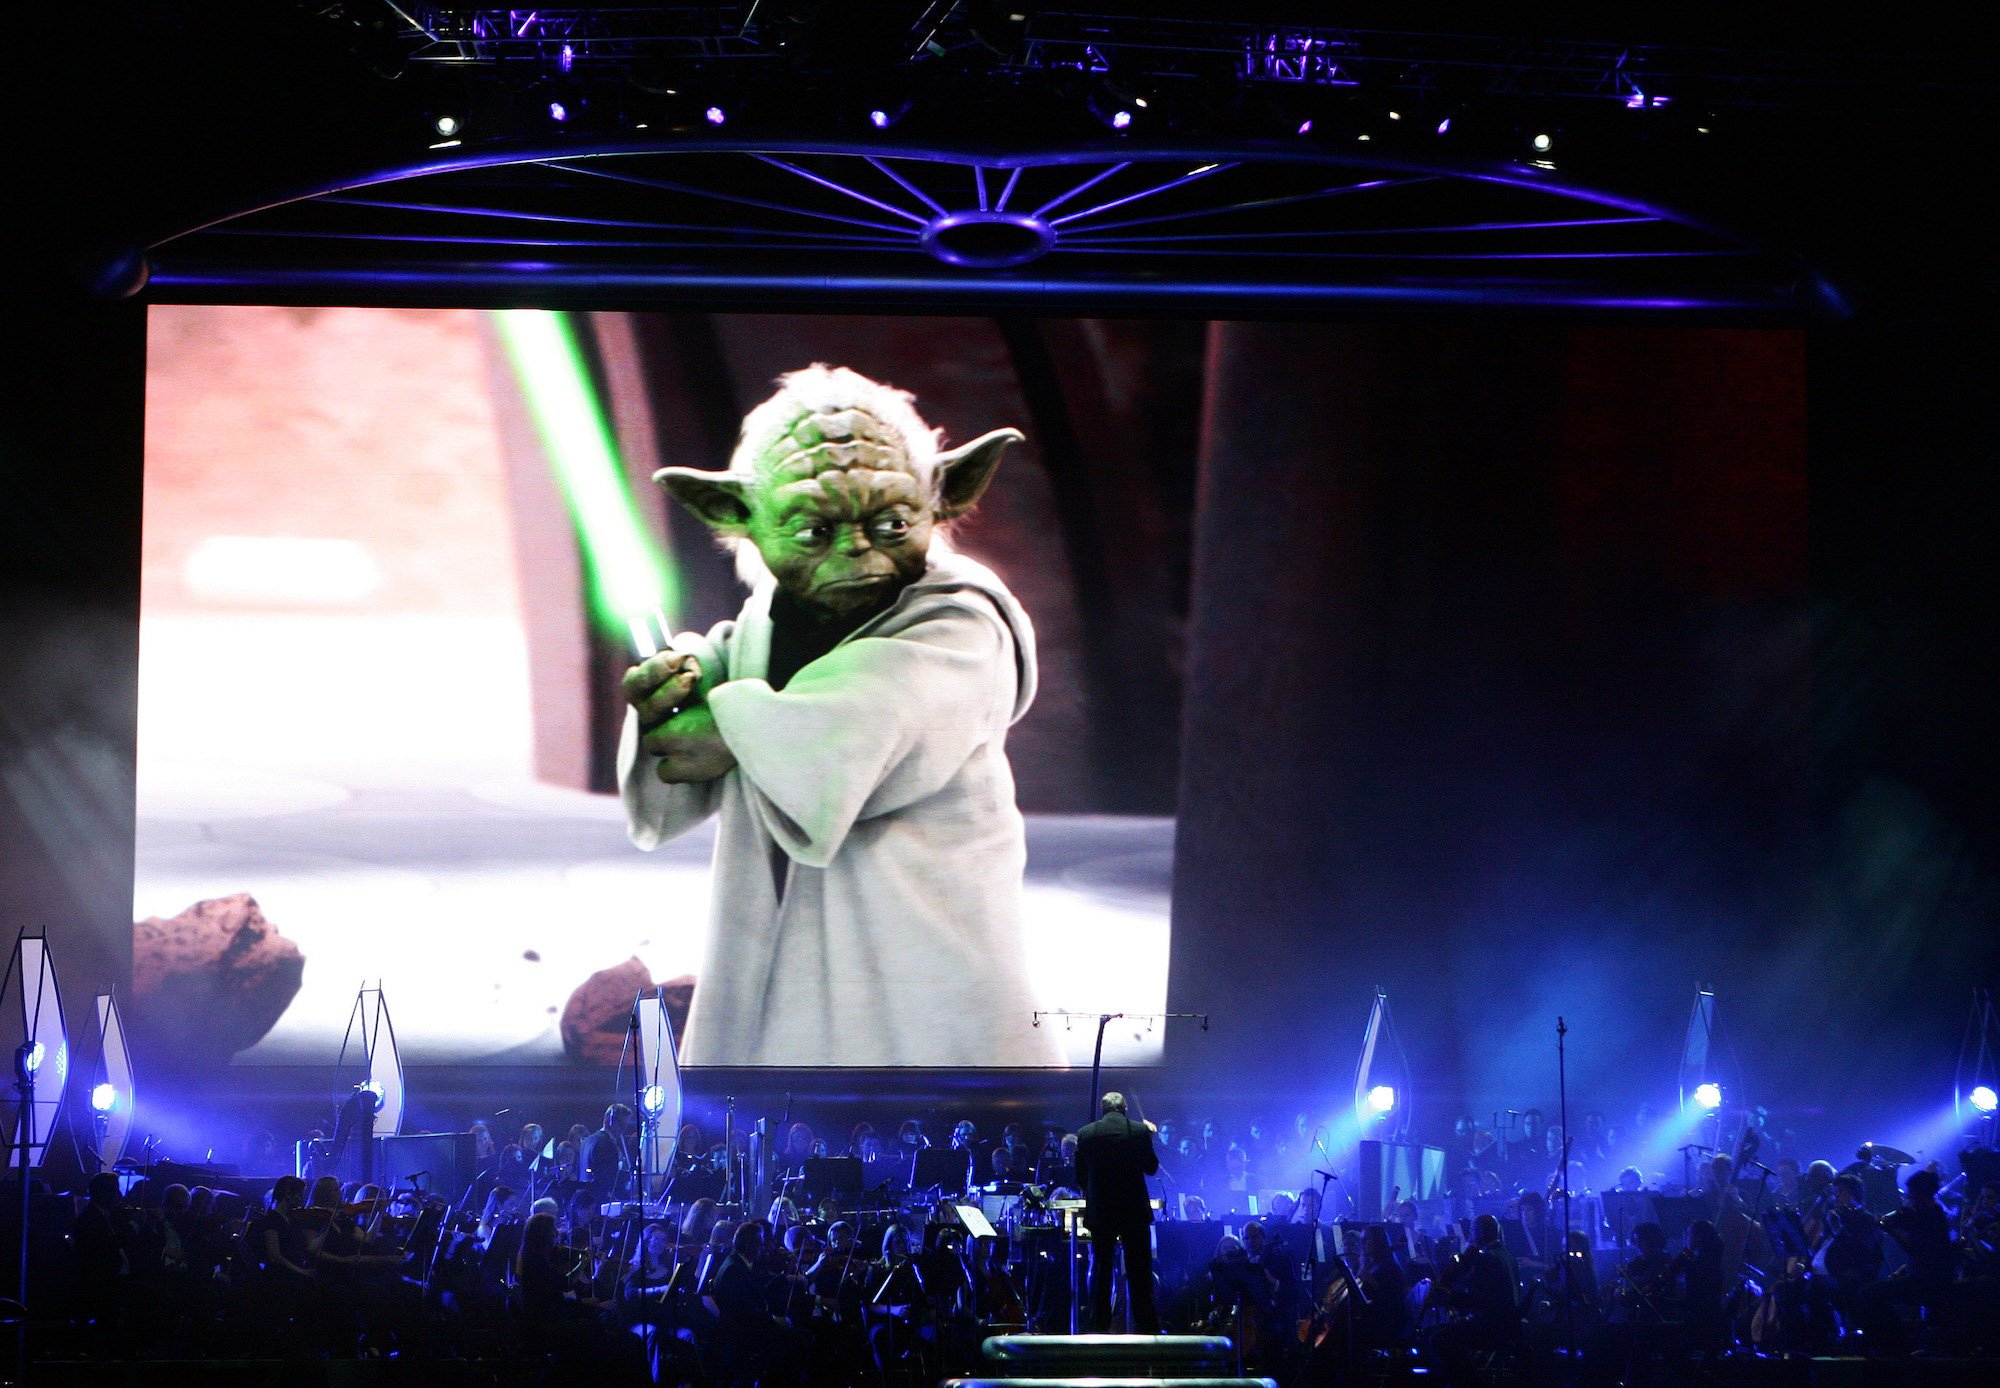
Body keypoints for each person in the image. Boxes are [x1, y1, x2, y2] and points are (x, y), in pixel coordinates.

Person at [619, 365, 1061, 1066]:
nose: (856, 551)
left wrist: (726, 725)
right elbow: (689, 743)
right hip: (778, 963)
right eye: (813, 530)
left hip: (922, 950)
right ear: (739, 516)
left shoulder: (964, 622)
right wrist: (679, 688)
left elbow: (882, 705)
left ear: (940, 499)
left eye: (889, 521)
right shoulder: (762, 623)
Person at [1073, 1091, 1160, 1333]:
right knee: (1139, 1270)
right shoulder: (1139, 1131)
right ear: (1125, 1110)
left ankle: (1098, 1326)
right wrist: (1151, 1137)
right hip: (1133, 1210)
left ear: (1102, 1110)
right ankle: (1146, 1326)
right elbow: (1151, 1168)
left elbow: (1080, 1176)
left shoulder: (1086, 1133)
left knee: (1101, 1269)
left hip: (1102, 1211)